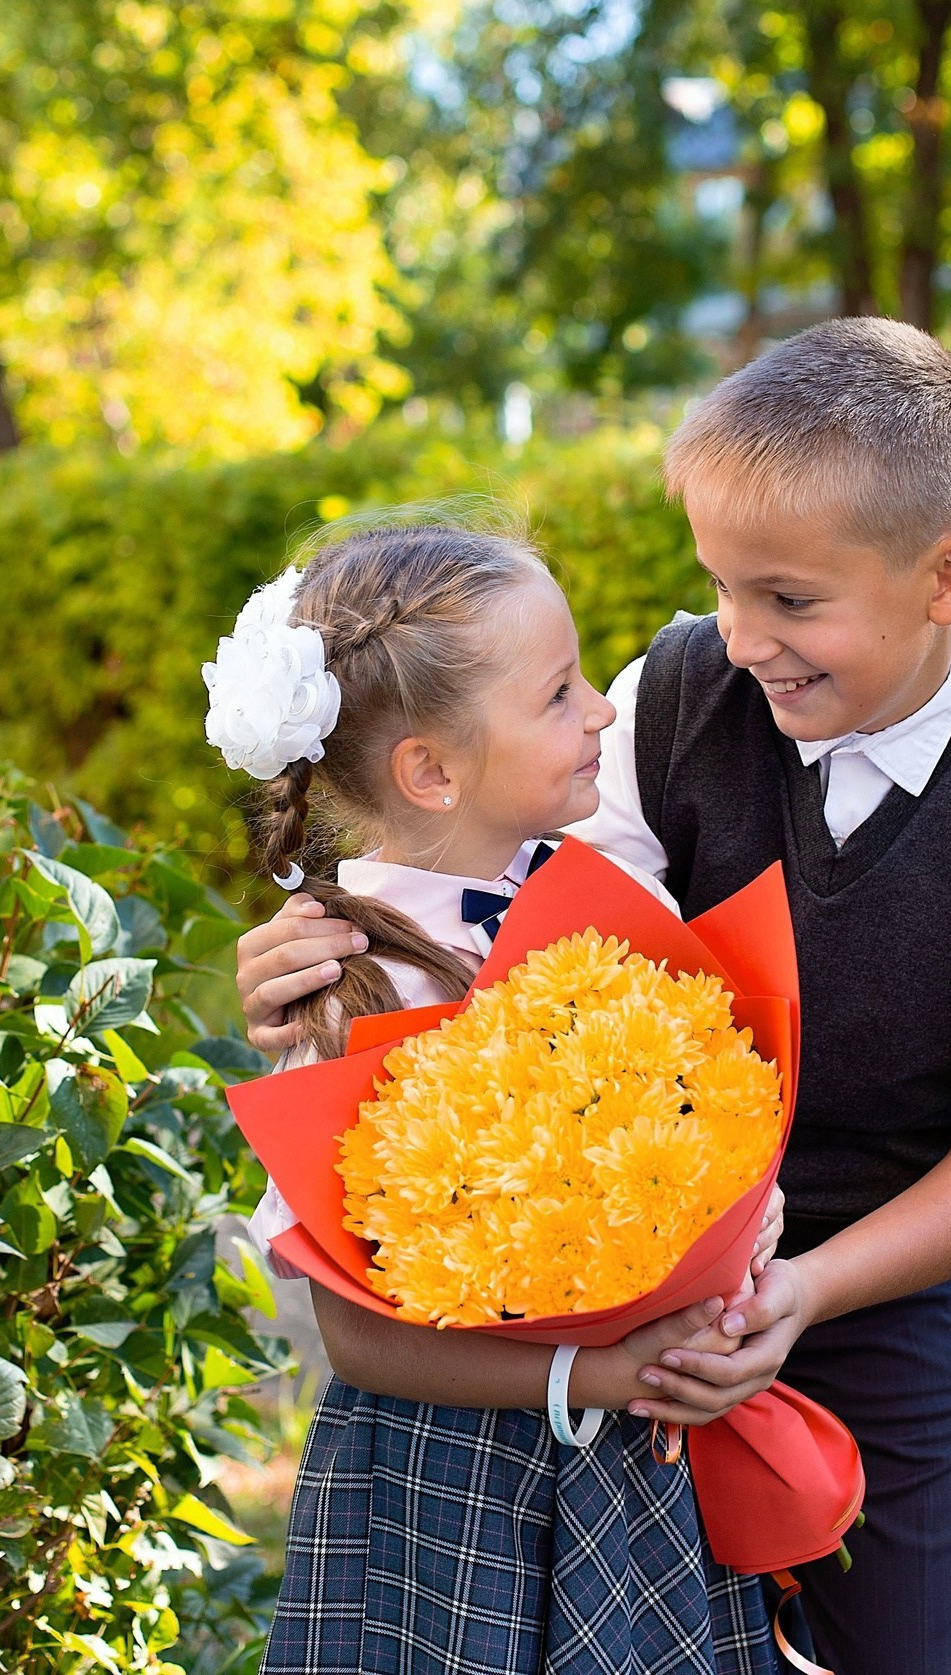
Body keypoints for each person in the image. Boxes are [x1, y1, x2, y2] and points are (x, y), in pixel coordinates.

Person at [233, 320, 951, 1675]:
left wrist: (803, 1285)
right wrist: (330, 958)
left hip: (883, 1278)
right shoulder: (673, 695)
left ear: (948, 574)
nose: (740, 636)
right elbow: (518, 975)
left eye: (788, 599)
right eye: (720, 585)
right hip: (615, 1300)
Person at [205, 515, 792, 1675]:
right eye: (561, 694)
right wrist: (592, 1372)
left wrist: (740, 1252)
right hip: (452, 1487)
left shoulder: (610, 906)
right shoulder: (342, 991)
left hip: (640, 1458)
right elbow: (357, 1344)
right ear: (431, 769)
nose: (604, 714)